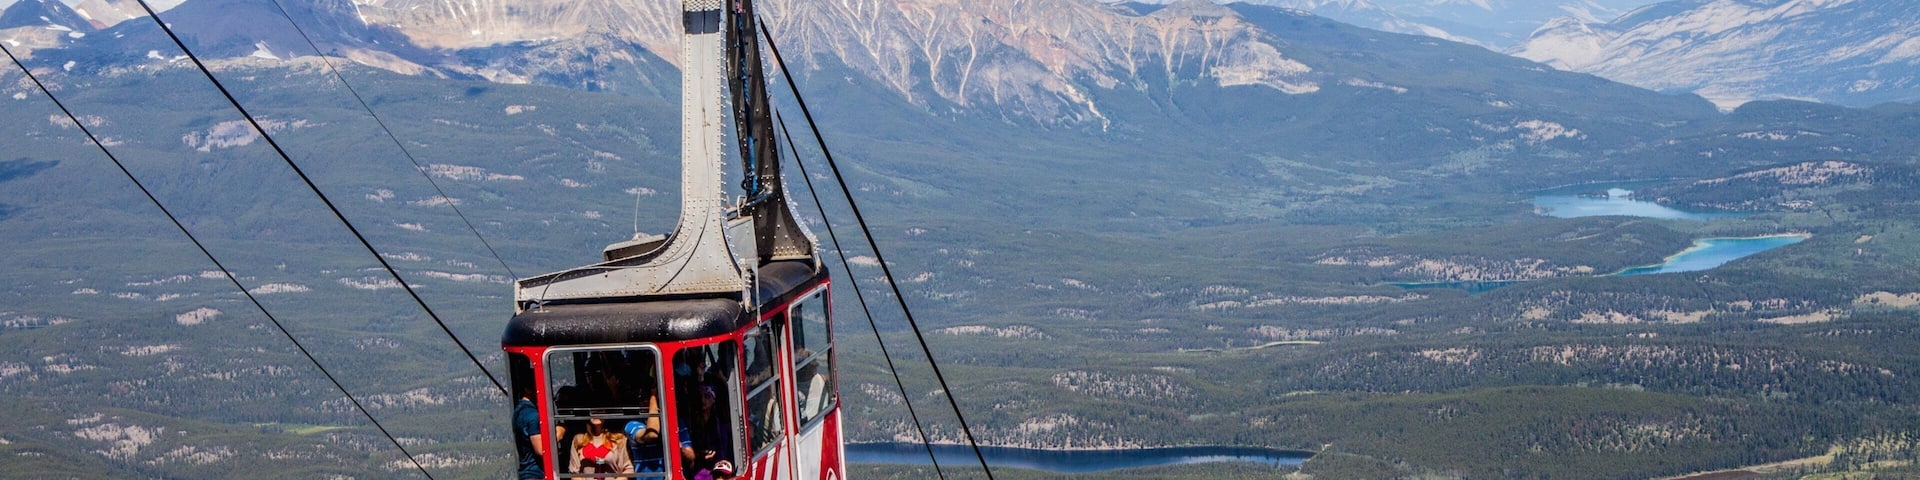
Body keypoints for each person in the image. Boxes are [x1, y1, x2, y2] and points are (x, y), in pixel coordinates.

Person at [513, 384, 545, 480]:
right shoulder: (533, 415)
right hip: (535, 473)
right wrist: (559, 433)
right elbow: (541, 450)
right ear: (528, 390)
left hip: (526, 472)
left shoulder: (518, 411)